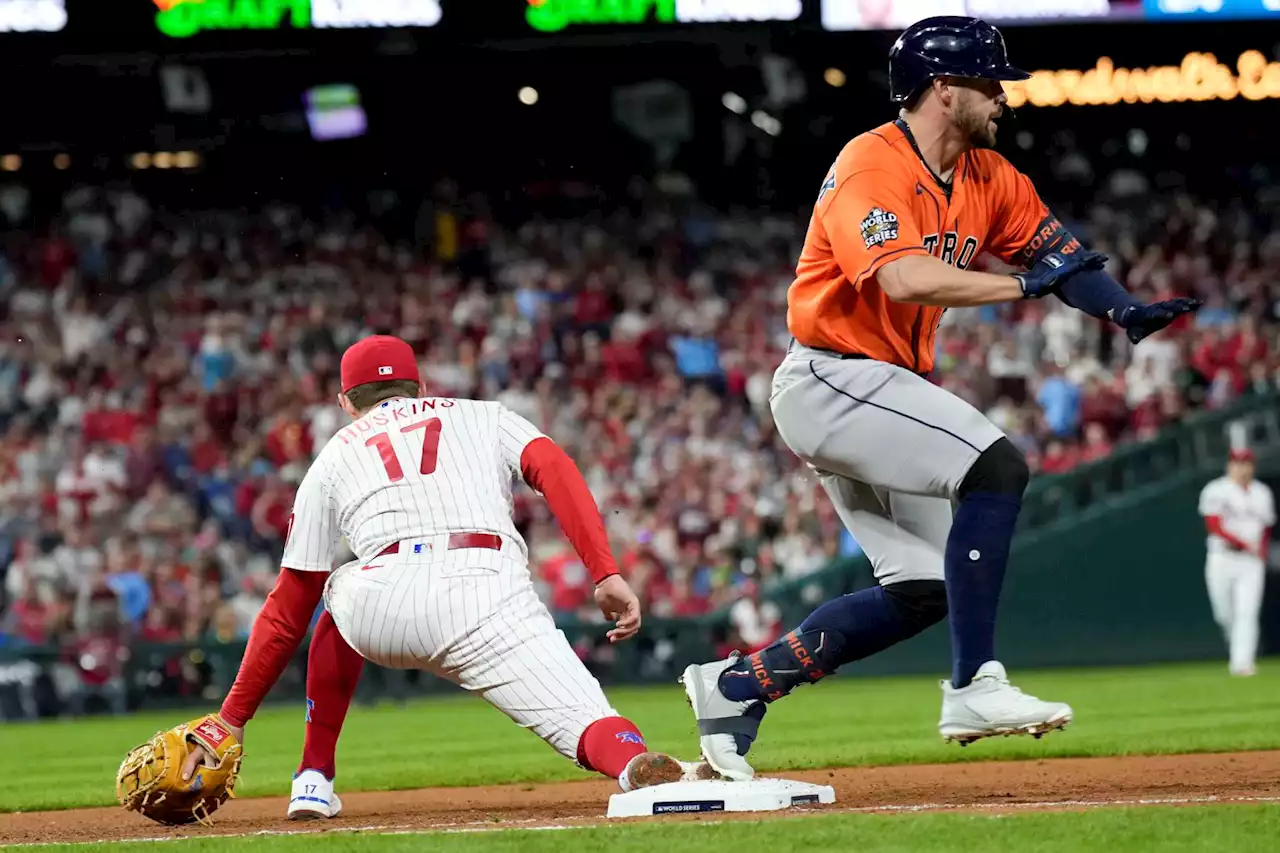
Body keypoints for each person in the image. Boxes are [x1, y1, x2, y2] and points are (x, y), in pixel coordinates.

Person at [678, 15, 1201, 781]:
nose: (1002, 98)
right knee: (997, 466)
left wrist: (1122, 309)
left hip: (878, 384)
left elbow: (1060, 257)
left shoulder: (991, 177)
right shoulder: (871, 163)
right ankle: (974, 684)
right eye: (989, 83)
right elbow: (905, 276)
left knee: (924, 588)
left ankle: (735, 686)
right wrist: (1022, 285)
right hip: (831, 374)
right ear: (943, 90)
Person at [182, 335, 701, 819]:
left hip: (380, 602)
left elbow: (292, 599)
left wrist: (231, 717)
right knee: (590, 723)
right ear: (421, 387)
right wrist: (604, 571)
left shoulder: (333, 455)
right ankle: (631, 762)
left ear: (346, 402)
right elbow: (555, 469)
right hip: (488, 594)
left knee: (337, 587)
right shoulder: (484, 416)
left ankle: (314, 777)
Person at [1198, 448, 1275, 677]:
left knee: (1247, 612)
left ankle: (1242, 663)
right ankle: (1238, 651)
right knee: (1224, 614)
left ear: (1253, 466)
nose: (1242, 468)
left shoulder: (1262, 492)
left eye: (1247, 463)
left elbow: (1266, 526)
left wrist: (1260, 550)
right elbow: (1213, 525)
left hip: (1250, 562)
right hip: (1222, 557)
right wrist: (1243, 543)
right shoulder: (1216, 489)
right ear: (1229, 465)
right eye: (1238, 463)